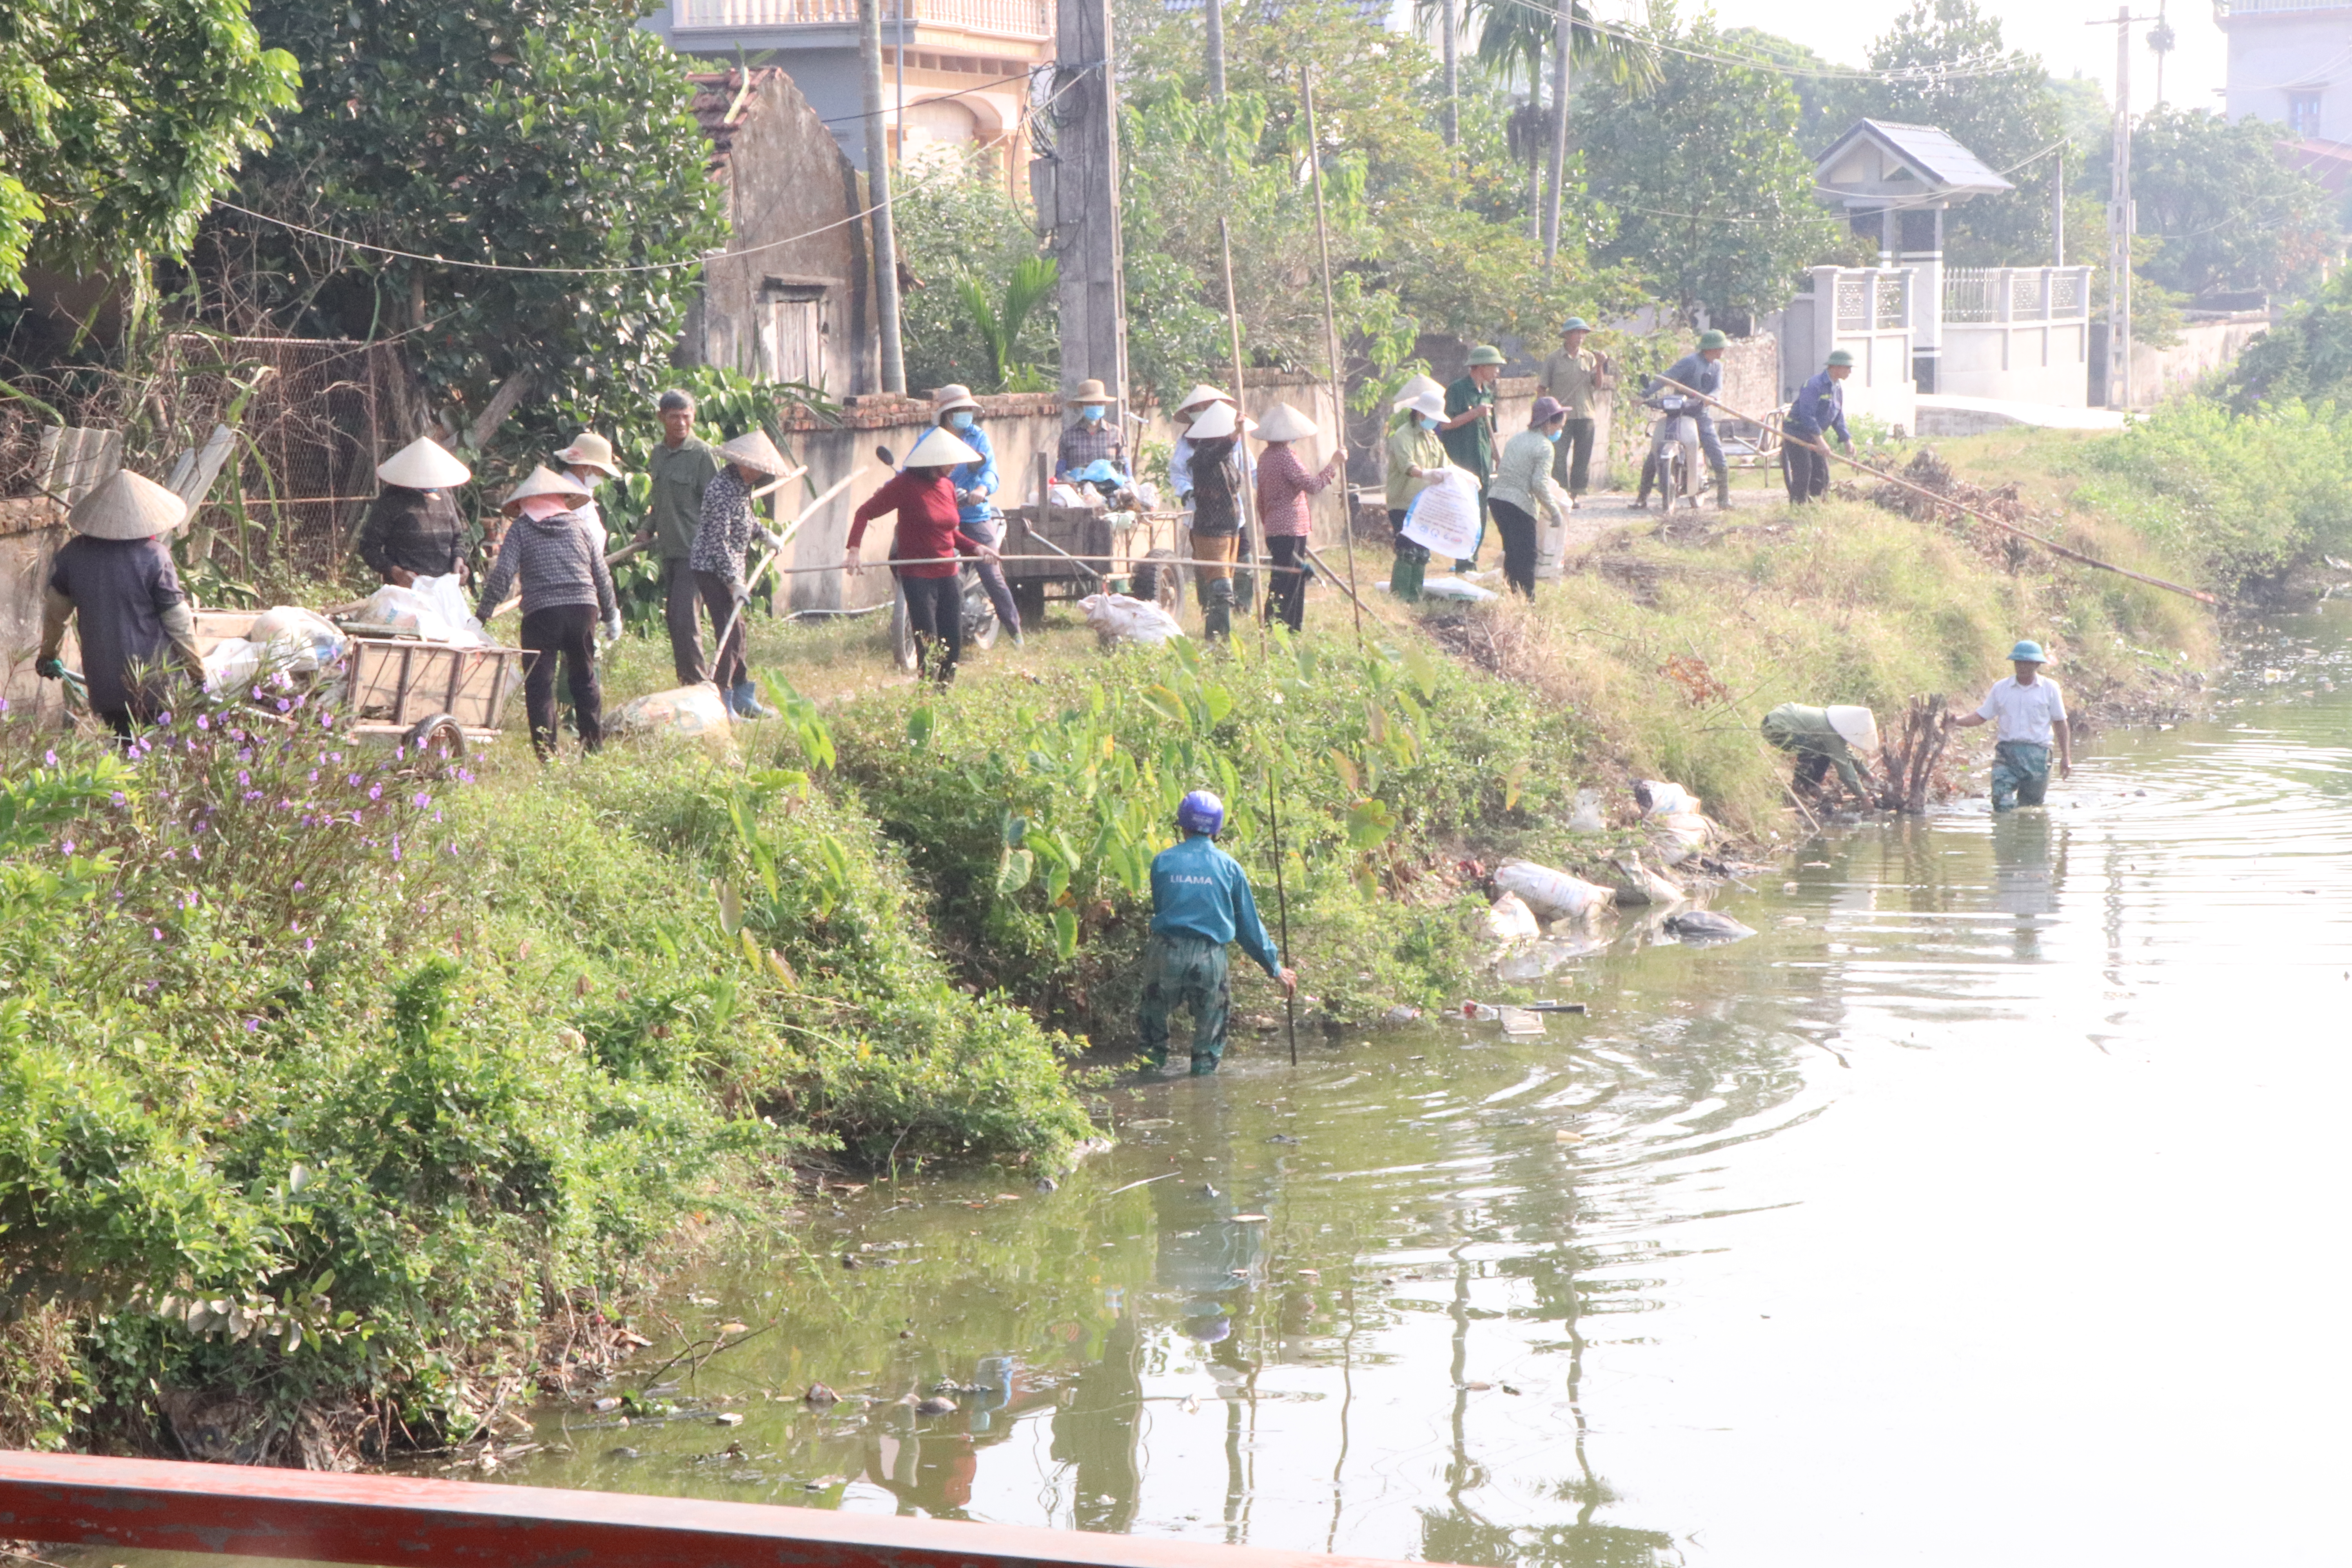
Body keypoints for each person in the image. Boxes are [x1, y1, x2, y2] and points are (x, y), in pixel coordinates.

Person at [1139, 789, 1298, 1076]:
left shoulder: (1162, 862)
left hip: (1165, 953)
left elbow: (1162, 905)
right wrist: (1274, 968)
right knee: (1208, 1041)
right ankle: (1203, 1095)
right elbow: (1248, 926)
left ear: (1182, 825)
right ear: (1217, 828)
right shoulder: (1229, 868)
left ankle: (1147, 1088)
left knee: (1152, 1033)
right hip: (1209, 957)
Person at [36, 468, 202, 739]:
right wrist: (198, 674)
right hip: (155, 682)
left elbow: (56, 615)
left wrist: (48, 656)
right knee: (157, 756)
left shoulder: (73, 555)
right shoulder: (155, 557)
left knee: (124, 749)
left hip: (105, 683)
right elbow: (178, 622)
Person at [475, 467, 618, 761]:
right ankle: (593, 748)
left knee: (540, 684)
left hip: (542, 614)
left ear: (526, 503)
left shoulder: (521, 530)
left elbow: (503, 573)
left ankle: (547, 756)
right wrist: (611, 614)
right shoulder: (579, 526)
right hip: (583, 608)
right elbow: (601, 573)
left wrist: (482, 614)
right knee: (584, 676)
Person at [847, 425, 998, 683]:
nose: (954, 467)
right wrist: (854, 551)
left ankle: (945, 689)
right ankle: (927, 690)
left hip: (948, 572)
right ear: (934, 461)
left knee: (952, 638)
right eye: (950, 462)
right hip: (917, 575)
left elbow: (950, 533)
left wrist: (976, 547)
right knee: (927, 638)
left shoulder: (948, 487)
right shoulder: (904, 485)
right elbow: (864, 513)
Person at [691, 430, 794, 719]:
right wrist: (733, 581)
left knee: (740, 631)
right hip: (712, 569)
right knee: (731, 633)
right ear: (745, 464)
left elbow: (746, 521)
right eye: (758, 468)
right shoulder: (722, 489)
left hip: (729, 567)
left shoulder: (740, 487)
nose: (761, 474)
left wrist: (766, 536)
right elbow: (717, 542)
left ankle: (743, 695)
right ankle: (722, 699)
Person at [633, 390, 726, 687]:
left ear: (694, 417)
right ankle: (688, 683)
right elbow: (660, 501)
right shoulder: (659, 454)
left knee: (685, 621)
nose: (681, 423)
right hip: (670, 552)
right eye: (674, 417)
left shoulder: (703, 455)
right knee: (676, 621)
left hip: (696, 554)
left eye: (687, 417)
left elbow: (719, 506)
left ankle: (700, 688)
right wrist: (648, 526)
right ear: (662, 417)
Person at [932, 384, 1022, 646]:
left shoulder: (978, 437)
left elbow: (990, 471)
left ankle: (1015, 631)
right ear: (947, 414)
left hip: (973, 515)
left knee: (991, 572)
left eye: (968, 410)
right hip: (940, 515)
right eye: (960, 410)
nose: (966, 414)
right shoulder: (931, 439)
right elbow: (911, 469)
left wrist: (981, 490)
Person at [1947, 641, 2071, 811]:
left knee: (2030, 807)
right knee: (2000, 802)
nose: (2022, 667)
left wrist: (2066, 757)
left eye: (2027, 663)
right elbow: (1982, 716)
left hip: (2038, 755)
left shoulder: (2050, 689)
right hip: (2007, 754)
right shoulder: (2001, 688)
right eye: (2018, 662)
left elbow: (2060, 723)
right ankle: (2004, 834)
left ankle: (2024, 836)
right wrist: (1956, 721)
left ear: (2037, 665)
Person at [1252, 401, 1340, 633]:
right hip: (1289, 528)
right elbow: (1312, 486)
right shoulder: (1285, 457)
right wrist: (1334, 465)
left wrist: (1268, 523)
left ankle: (1288, 628)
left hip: (1277, 527)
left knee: (1290, 578)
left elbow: (1261, 498)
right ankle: (1279, 628)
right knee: (1287, 582)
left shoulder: (1264, 458)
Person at [1486, 397, 1572, 599]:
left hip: (1497, 501)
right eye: (1560, 422)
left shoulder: (1517, 438)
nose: (1561, 427)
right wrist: (1554, 511)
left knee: (1513, 552)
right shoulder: (1544, 447)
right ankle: (1527, 603)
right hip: (1518, 504)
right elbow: (1538, 485)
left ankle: (1511, 598)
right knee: (1527, 556)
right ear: (1550, 422)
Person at [357, 436, 471, 586]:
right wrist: (397, 573)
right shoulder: (392, 499)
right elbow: (369, 547)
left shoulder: (445, 496)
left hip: (443, 588)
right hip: (406, 592)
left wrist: (459, 561)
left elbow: (458, 539)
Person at [1639, 329, 1732, 511]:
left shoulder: (1717, 366)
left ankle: (1724, 499)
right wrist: (1645, 394)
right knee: (1655, 454)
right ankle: (1642, 498)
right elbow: (1666, 378)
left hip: (1701, 414)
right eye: (1721, 348)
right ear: (1711, 349)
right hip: (1679, 413)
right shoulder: (1690, 362)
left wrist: (1711, 398)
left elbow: (1717, 389)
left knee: (1717, 453)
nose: (1723, 352)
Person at [1182, 401, 1248, 641]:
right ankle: (1219, 640)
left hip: (1231, 529)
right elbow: (1215, 454)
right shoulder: (1202, 455)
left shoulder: (1228, 458)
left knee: (1222, 588)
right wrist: (1234, 434)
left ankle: (1215, 636)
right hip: (1211, 531)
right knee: (1221, 589)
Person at [1439, 345, 1505, 570]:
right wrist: (1474, 413)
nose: (1497, 372)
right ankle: (1462, 559)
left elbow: (1490, 432)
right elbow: (1445, 424)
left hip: (1483, 462)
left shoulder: (1487, 394)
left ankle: (1473, 557)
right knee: (1463, 511)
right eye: (1494, 367)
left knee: (1481, 511)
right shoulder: (1457, 390)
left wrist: (1497, 457)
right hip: (1462, 461)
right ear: (1481, 367)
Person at [1537, 318, 1613, 508]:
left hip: (1586, 414)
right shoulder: (1553, 359)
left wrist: (1600, 366)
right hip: (1560, 417)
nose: (1580, 337)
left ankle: (1576, 494)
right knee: (1559, 456)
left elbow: (1598, 385)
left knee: (1583, 456)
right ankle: (1561, 492)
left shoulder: (1590, 358)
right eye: (1576, 333)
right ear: (1567, 335)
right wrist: (1542, 412)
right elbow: (1542, 388)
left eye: (1583, 333)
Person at [1385, 390, 1448, 602]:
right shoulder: (1403, 435)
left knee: (1422, 553)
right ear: (1420, 414)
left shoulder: (1432, 438)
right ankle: (1400, 598)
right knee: (1407, 551)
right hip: (1403, 502)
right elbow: (1408, 466)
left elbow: (1445, 464)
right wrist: (1427, 474)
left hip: (1426, 504)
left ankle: (1416, 597)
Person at [1761, 703, 1879, 800]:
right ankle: (1801, 786)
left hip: (1778, 721)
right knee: (1818, 748)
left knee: (1822, 747)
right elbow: (1844, 769)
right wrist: (1863, 797)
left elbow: (1845, 752)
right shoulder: (1829, 731)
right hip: (1775, 729)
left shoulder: (1828, 722)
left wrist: (1866, 773)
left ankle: (1811, 785)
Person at [1782, 349, 1853, 505]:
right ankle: (1798, 507)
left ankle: (1816, 505)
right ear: (1835, 368)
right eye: (1847, 368)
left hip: (1814, 435)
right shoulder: (1814, 385)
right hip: (1797, 432)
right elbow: (1807, 416)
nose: (1850, 371)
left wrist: (1847, 439)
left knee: (1821, 474)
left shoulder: (1837, 388)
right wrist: (1820, 442)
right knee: (1804, 471)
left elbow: (1837, 415)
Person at [1056, 377, 1130, 496]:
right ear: (1082, 406)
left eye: (1099, 403)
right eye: (1090, 404)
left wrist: (1129, 481)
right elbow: (1061, 469)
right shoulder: (1069, 436)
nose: (1095, 407)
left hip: (1111, 493)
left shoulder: (1116, 433)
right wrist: (1066, 478)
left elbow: (1124, 465)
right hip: (1079, 495)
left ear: (1105, 405)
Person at [553, 430, 622, 552]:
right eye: (601, 470)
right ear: (585, 466)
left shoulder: (582, 493)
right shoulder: (572, 494)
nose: (603, 475)